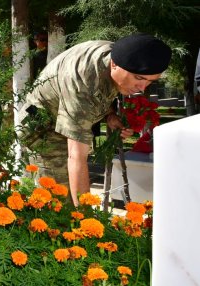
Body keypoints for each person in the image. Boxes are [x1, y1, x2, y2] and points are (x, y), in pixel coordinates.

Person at [17, 33, 172, 205]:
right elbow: (76, 156)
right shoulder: (82, 82)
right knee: (57, 202)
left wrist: (110, 115)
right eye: (139, 78)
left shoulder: (121, 56)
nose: (142, 88)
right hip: (43, 131)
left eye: (151, 81)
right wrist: (86, 217)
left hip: (67, 116)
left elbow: (103, 91)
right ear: (114, 65)